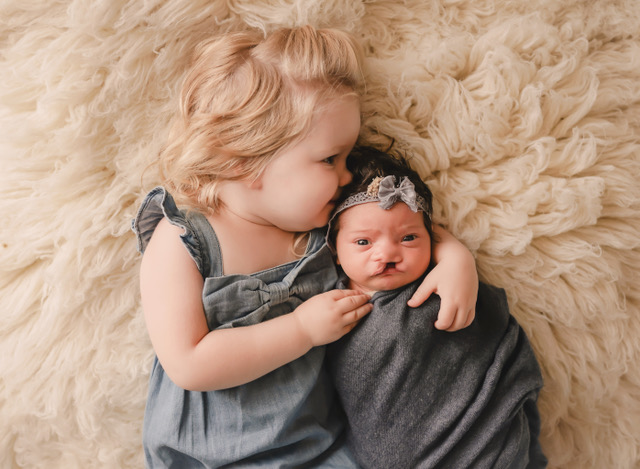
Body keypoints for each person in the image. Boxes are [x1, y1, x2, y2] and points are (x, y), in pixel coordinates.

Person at [132, 26, 478, 468]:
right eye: (330, 159)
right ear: (247, 158)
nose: (348, 175)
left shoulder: (321, 224)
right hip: (212, 457)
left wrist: (454, 258)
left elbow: (395, 232)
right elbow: (189, 363)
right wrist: (301, 330)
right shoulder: (184, 241)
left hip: (319, 447)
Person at [326, 146, 547, 469]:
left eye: (408, 239)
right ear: (334, 250)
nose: (387, 253)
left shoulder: (440, 281)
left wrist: (458, 258)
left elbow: (488, 337)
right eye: (363, 242)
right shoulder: (323, 294)